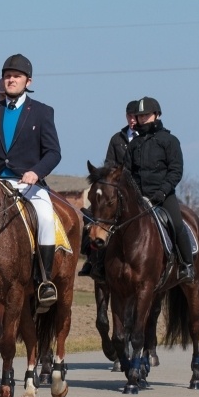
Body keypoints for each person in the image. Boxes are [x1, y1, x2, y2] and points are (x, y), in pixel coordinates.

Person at [0, 53, 61, 311]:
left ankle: (44, 280)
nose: (11, 80)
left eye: (16, 76)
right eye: (7, 76)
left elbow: (53, 152)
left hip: (28, 183)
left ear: (28, 80)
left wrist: (36, 172)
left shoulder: (43, 112)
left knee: (46, 216)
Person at [123, 96, 194, 283]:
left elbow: (175, 171)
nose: (143, 119)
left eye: (146, 115)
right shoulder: (133, 145)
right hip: (138, 197)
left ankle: (187, 265)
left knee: (177, 225)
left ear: (156, 114)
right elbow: (127, 173)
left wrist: (162, 191)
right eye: (140, 116)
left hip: (163, 196)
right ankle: (100, 264)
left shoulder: (170, 141)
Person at [78, 99, 139, 277]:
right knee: (91, 215)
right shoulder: (116, 139)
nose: (132, 120)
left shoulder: (145, 140)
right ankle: (91, 259)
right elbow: (108, 165)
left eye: (135, 116)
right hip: (116, 191)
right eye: (129, 116)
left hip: (138, 192)